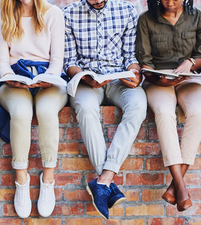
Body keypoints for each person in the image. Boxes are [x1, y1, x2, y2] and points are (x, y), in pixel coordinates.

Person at [63, 0, 147, 219]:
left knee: (138, 105)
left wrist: (134, 72)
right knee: (84, 107)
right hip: (87, 81)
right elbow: (69, 62)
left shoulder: (127, 9)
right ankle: (107, 182)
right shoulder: (69, 14)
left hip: (119, 79)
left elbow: (131, 56)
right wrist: (83, 75)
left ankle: (104, 179)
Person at [0, 0, 66, 218]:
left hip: (49, 78)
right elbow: (3, 63)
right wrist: (11, 79)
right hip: (15, 79)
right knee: (22, 112)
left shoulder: (54, 14)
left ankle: (48, 178)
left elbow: (57, 60)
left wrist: (48, 79)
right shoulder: (1, 16)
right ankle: (22, 179)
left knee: (45, 111)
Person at [136, 0, 201, 212]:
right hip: (158, 81)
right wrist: (160, 79)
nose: (170, 3)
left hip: (188, 80)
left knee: (198, 112)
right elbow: (145, 63)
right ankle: (181, 187)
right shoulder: (146, 19)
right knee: (164, 112)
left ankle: (173, 186)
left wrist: (190, 63)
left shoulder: (198, 17)